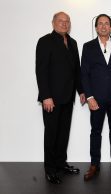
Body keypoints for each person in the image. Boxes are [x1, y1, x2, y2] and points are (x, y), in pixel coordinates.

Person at [35, 11, 85, 184]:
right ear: (53, 23)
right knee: (51, 134)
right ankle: (50, 169)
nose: (64, 24)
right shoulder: (45, 41)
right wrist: (46, 96)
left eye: (67, 21)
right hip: (52, 99)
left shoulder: (73, 43)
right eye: (61, 21)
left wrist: (81, 91)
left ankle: (60, 164)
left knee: (64, 133)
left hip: (68, 97)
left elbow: (77, 70)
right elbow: (41, 71)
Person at [81, 14, 111, 181]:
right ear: (96, 28)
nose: (103, 26)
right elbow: (84, 74)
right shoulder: (88, 47)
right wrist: (90, 97)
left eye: (106, 23)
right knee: (96, 131)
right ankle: (94, 164)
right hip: (97, 99)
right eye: (100, 23)